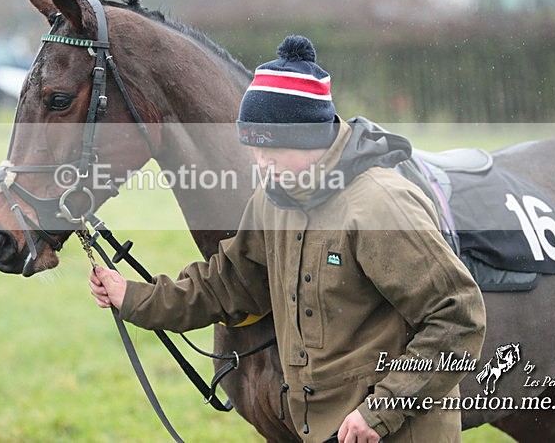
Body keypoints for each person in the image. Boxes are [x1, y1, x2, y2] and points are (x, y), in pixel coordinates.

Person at [90, 35, 486, 442]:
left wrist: (380, 410)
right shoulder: (273, 200)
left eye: (272, 150)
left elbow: (457, 317)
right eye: (254, 150)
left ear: (310, 135)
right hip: (322, 430)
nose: (261, 164)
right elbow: (228, 284)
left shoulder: (379, 206)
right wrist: (133, 297)